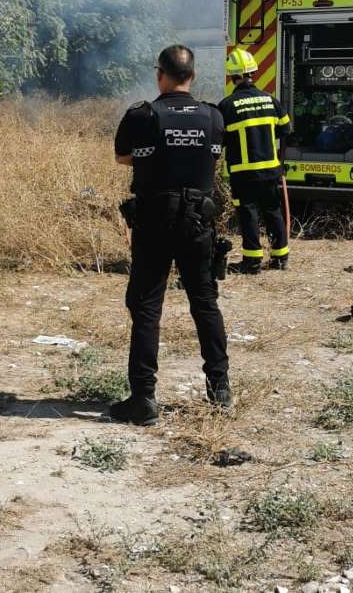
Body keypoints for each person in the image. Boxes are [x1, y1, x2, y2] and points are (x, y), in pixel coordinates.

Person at [110, 44, 231, 423]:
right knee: (205, 304)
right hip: (198, 222)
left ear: (160, 73)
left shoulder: (143, 115)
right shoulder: (213, 117)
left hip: (154, 223)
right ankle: (220, 389)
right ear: (192, 75)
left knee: (146, 308)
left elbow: (123, 157)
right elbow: (211, 158)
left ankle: (144, 399)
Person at [218, 48, 292, 274]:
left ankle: (251, 262)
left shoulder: (227, 106)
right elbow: (286, 130)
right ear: (253, 73)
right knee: (273, 211)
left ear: (232, 77)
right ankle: (280, 258)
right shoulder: (271, 101)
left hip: (243, 172)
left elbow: (220, 139)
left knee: (248, 214)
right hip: (270, 170)